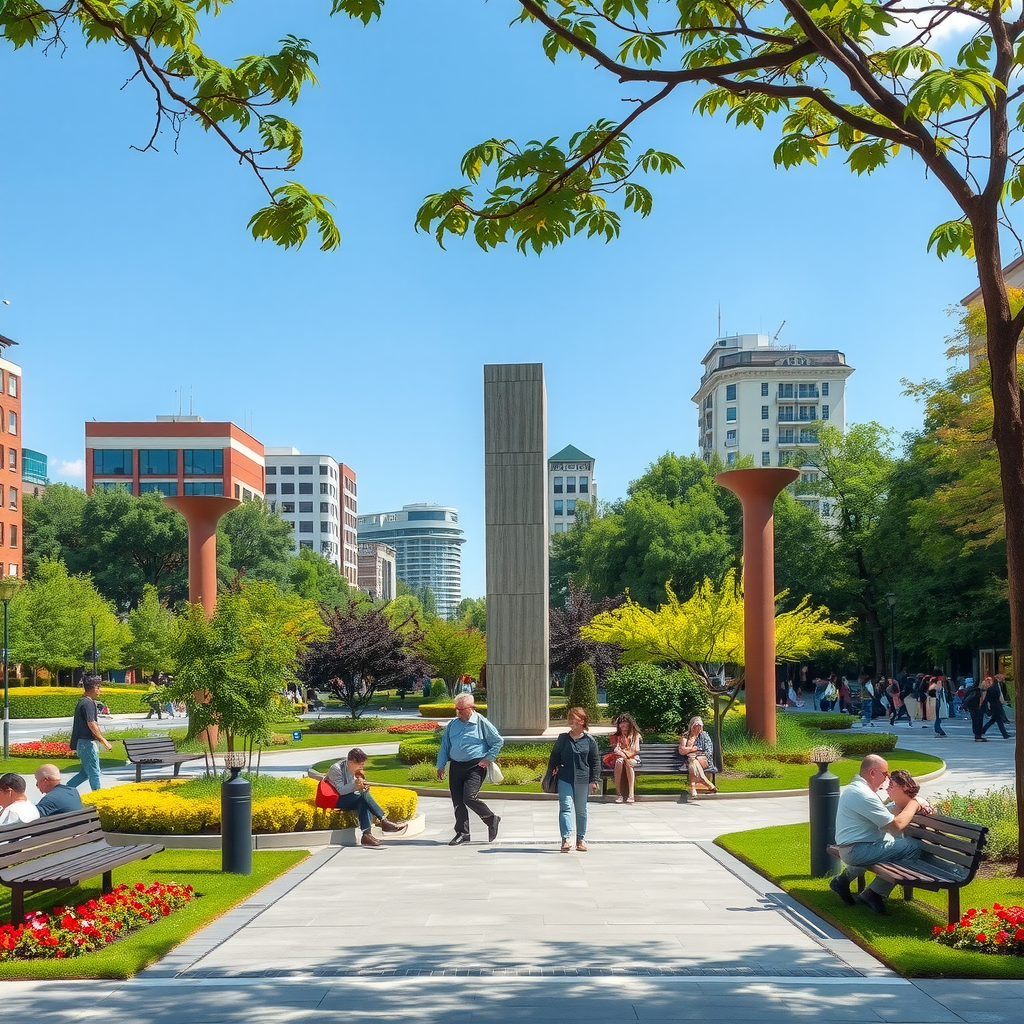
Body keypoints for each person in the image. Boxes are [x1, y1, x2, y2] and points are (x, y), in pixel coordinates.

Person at [828, 754, 925, 915]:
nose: (886, 779)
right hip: (857, 851)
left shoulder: (855, 789)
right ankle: (873, 893)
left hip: (852, 848)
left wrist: (900, 807)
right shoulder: (864, 795)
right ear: (873, 773)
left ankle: (843, 880)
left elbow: (882, 819)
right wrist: (915, 803)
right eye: (885, 774)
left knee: (891, 843)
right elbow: (896, 826)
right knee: (913, 847)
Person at [436, 693, 504, 846]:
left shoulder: (481, 722)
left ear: (471, 708)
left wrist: (488, 758)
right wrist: (440, 765)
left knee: (469, 797)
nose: (458, 712)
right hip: (456, 766)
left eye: (462, 709)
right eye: (457, 709)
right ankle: (462, 833)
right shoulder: (453, 724)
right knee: (458, 802)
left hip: (475, 766)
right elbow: (445, 747)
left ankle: (491, 819)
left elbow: (498, 741)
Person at [326, 748, 407, 848]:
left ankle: (367, 835)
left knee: (362, 800)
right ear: (352, 762)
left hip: (350, 797)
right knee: (362, 796)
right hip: (335, 799)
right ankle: (383, 821)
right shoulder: (336, 769)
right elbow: (341, 791)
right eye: (361, 764)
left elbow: (357, 786)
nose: (362, 766)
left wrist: (364, 787)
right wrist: (357, 786)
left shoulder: (356, 769)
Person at [547, 706, 600, 852]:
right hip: (565, 778)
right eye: (569, 718)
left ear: (582, 721)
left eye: (574, 718)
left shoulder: (589, 741)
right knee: (565, 807)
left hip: (583, 779)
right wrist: (551, 771)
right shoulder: (563, 739)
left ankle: (580, 839)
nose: (571, 721)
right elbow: (554, 756)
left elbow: (595, 761)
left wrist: (594, 780)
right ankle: (565, 838)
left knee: (581, 810)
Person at [66, 677, 113, 791]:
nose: (99, 690)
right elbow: (91, 723)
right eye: (98, 687)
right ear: (92, 688)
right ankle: (97, 797)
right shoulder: (88, 703)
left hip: (82, 743)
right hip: (86, 743)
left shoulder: (83, 701)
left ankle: (65, 790)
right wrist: (103, 740)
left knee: (85, 773)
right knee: (94, 772)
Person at [677, 716, 718, 798]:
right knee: (693, 761)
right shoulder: (686, 736)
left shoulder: (704, 736)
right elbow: (681, 750)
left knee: (693, 759)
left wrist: (693, 753)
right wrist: (692, 749)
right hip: (690, 760)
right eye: (696, 726)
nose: (698, 729)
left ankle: (696, 784)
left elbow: (708, 751)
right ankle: (699, 783)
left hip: (704, 760)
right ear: (691, 726)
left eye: (700, 727)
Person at [608, 712, 642, 804]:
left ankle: (631, 794)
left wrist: (624, 755)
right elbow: (616, 751)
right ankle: (619, 794)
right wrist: (624, 756)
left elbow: (635, 749)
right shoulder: (615, 736)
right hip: (621, 758)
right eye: (621, 723)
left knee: (629, 763)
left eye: (625, 722)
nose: (623, 725)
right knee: (619, 761)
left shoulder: (635, 735)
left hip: (633, 757)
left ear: (630, 723)